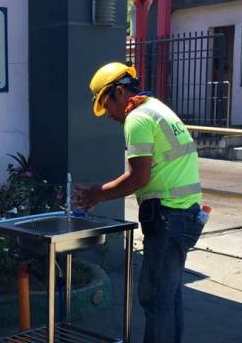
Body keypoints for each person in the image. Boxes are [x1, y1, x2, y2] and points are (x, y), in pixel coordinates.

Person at [75, 62, 205, 343]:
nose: (107, 114)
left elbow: (138, 178)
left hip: (169, 217)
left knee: (156, 299)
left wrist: (97, 192)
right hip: (185, 214)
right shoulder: (159, 109)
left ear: (119, 92)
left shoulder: (136, 119)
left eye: (105, 104)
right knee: (168, 299)